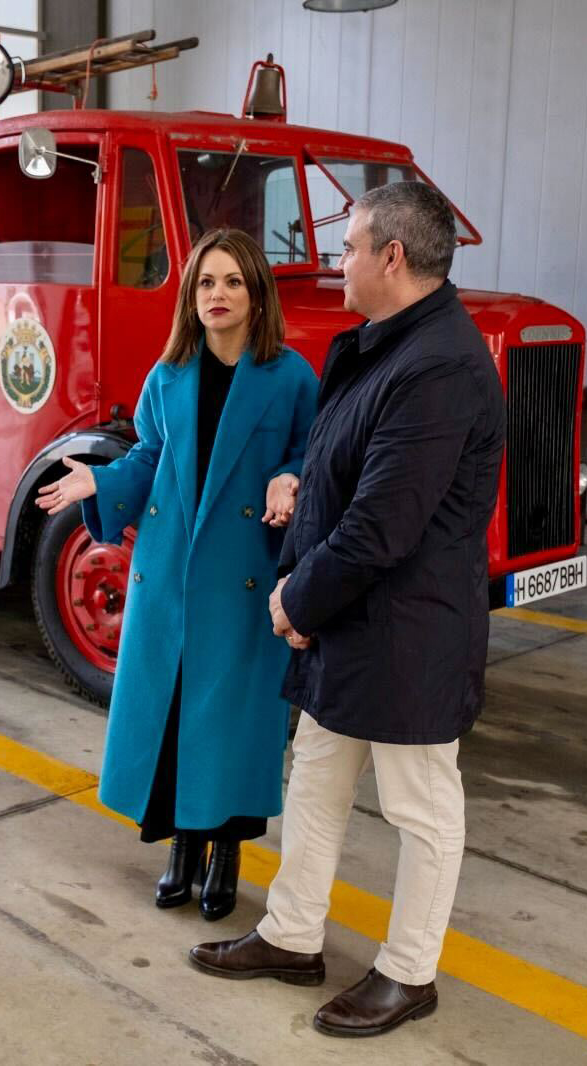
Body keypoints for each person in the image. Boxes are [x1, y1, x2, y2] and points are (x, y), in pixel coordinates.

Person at [189, 182, 506, 1038]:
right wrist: (299, 478)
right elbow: (351, 470)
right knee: (319, 781)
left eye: (349, 247)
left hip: (404, 633)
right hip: (353, 626)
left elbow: (384, 524)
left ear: (391, 258)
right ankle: (293, 936)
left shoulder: (439, 365)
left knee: (421, 808)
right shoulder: (384, 345)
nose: (339, 263)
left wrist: (296, 597)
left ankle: (409, 973)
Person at [37, 229, 317, 920]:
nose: (217, 296)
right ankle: (182, 850)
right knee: (174, 712)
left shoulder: (291, 377)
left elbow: (313, 452)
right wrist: (97, 484)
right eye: (205, 284)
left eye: (232, 282)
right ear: (191, 298)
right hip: (168, 573)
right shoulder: (168, 376)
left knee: (232, 721)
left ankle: (226, 854)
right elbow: (149, 459)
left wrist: (290, 477)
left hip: (243, 574)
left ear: (257, 296)